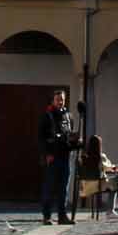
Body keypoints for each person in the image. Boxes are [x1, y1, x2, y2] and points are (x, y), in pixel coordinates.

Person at [38, 87, 79, 225]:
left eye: (62, 99)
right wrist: (47, 153)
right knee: (49, 187)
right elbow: (41, 138)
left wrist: (75, 143)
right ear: (53, 101)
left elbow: (69, 135)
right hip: (53, 157)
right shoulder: (47, 116)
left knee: (64, 188)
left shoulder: (69, 116)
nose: (60, 102)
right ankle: (47, 216)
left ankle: (62, 216)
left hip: (65, 156)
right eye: (57, 99)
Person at [78, 134, 118, 219]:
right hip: (98, 185)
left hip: (85, 186)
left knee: (112, 183)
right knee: (116, 184)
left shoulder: (83, 157)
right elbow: (108, 167)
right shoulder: (101, 156)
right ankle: (111, 210)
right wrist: (115, 167)